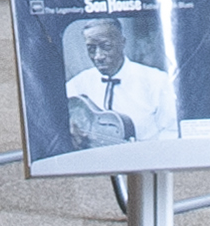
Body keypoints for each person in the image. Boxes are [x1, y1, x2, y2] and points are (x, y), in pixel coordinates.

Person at [63, 16, 176, 146]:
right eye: (91, 49)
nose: (98, 56)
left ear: (122, 43)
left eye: (106, 46)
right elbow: (52, 113)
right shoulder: (80, 83)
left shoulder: (156, 81)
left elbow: (171, 131)